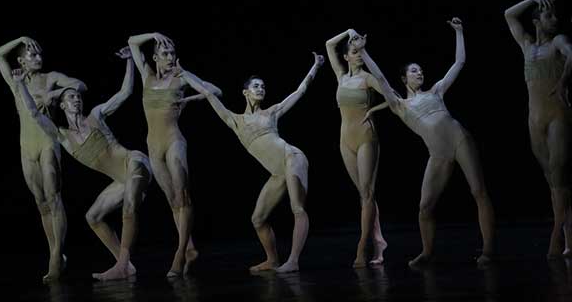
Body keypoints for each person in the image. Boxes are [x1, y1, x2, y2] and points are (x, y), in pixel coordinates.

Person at [355, 18, 495, 266]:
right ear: (404, 78)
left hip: (459, 138)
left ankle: (488, 249)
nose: (419, 73)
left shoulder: (436, 91)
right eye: (414, 71)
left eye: (420, 70)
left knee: (478, 191)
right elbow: (381, 78)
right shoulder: (400, 105)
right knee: (425, 207)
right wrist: (364, 52)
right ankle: (428, 251)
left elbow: (459, 63)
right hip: (438, 154)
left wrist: (459, 32)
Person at [177, 52, 325, 273]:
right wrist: (183, 73)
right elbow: (207, 93)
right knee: (258, 219)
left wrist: (316, 66)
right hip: (278, 173)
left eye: (263, 86)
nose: (260, 89)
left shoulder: (271, 113)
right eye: (256, 86)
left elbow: (300, 91)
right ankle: (272, 260)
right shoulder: (235, 121)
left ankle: (293, 261)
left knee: (297, 207)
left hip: (292, 158)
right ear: (245, 92)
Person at [13, 46, 152, 280]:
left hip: (135, 163)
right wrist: (21, 85)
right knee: (93, 217)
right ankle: (126, 265)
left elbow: (125, 92)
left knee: (129, 205)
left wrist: (130, 61)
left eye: (77, 97)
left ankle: (121, 265)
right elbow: (34, 114)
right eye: (71, 97)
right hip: (121, 180)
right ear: (63, 105)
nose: (76, 99)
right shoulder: (63, 137)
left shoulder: (96, 115)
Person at [128, 32, 221, 276]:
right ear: (155, 57)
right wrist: (154, 34)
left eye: (172, 53)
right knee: (172, 200)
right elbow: (132, 42)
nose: (170, 57)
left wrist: (189, 96)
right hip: (153, 146)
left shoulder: (180, 77)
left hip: (174, 142)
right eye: (165, 53)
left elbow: (215, 91)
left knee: (182, 195)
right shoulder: (146, 75)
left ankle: (179, 254)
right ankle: (189, 248)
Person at [0, 36, 86, 282]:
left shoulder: (50, 77)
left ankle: (55, 258)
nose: (38, 58)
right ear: (21, 61)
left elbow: (80, 85)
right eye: (32, 55)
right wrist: (21, 38)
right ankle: (55, 251)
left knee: (54, 197)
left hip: (48, 142)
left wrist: (55, 93)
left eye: (39, 54)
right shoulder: (15, 81)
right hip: (26, 146)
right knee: (41, 202)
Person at [504, 0, 571, 258]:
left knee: (558, 175)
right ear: (536, 22)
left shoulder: (558, 41)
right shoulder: (526, 45)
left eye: (555, 15)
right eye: (548, 15)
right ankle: (569, 239)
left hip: (558, 116)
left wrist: (563, 81)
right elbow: (508, 14)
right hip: (535, 120)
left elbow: (571, 54)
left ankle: (556, 234)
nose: (554, 19)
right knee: (554, 182)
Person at [325, 29, 388, 266]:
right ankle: (379, 241)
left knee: (367, 193)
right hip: (345, 140)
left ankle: (363, 247)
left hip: (365, 137)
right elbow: (329, 44)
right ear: (346, 57)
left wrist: (374, 109)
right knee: (364, 195)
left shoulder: (367, 78)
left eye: (361, 51)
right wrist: (349, 31)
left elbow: (392, 95)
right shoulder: (341, 76)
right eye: (354, 52)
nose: (359, 55)